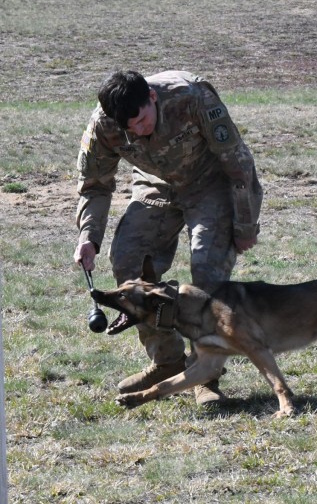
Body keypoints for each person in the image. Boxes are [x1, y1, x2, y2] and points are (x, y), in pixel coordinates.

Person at [73, 70, 263, 405]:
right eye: (129, 127)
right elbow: (95, 185)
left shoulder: (192, 98)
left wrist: (245, 225)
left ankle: (205, 373)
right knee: (129, 261)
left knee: (207, 272)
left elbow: (238, 163)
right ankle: (168, 362)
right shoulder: (104, 124)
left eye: (143, 120)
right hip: (156, 186)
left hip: (209, 183)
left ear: (153, 99)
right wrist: (89, 236)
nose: (138, 130)